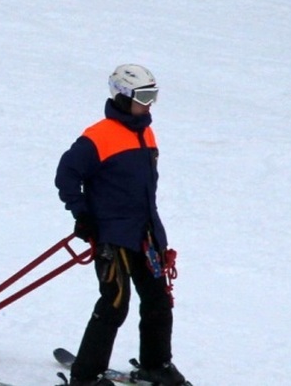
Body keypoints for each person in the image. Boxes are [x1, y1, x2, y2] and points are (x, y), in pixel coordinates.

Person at [55, 64, 189, 386]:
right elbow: (67, 175)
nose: (150, 104)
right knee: (115, 304)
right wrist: (82, 214)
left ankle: (157, 365)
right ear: (123, 96)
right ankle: (86, 377)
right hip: (111, 234)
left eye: (153, 96)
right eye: (144, 96)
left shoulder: (145, 131)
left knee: (158, 300)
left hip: (145, 232)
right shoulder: (98, 137)